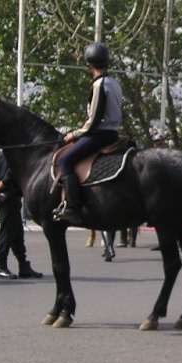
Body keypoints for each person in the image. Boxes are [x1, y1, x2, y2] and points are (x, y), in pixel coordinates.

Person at [53, 42, 123, 226]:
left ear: (89, 66)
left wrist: (74, 135)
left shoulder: (99, 85)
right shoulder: (114, 83)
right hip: (113, 133)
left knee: (64, 161)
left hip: (99, 135)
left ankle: (73, 208)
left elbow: (93, 120)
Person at [0, 151, 43, 279]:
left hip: (9, 197)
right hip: (8, 196)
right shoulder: (13, 154)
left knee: (17, 234)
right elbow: (10, 175)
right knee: (7, 232)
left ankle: (23, 265)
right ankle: (1, 266)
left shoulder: (3, 153)